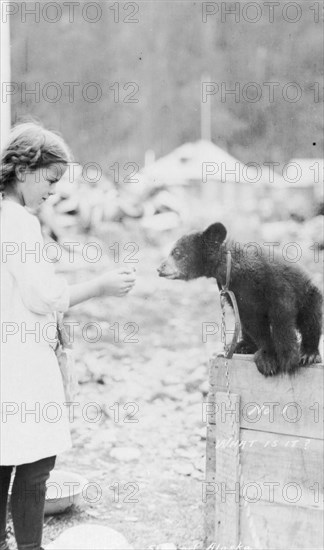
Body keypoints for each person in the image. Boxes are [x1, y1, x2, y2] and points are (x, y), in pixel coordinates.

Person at [0, 122, 136, 550]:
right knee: (37, 461)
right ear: (24, 170)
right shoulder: (19, 221)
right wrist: (100, 286)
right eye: (51, 180)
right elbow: (44, 297)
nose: (55, 191)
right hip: (21, 358)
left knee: (5, 456)